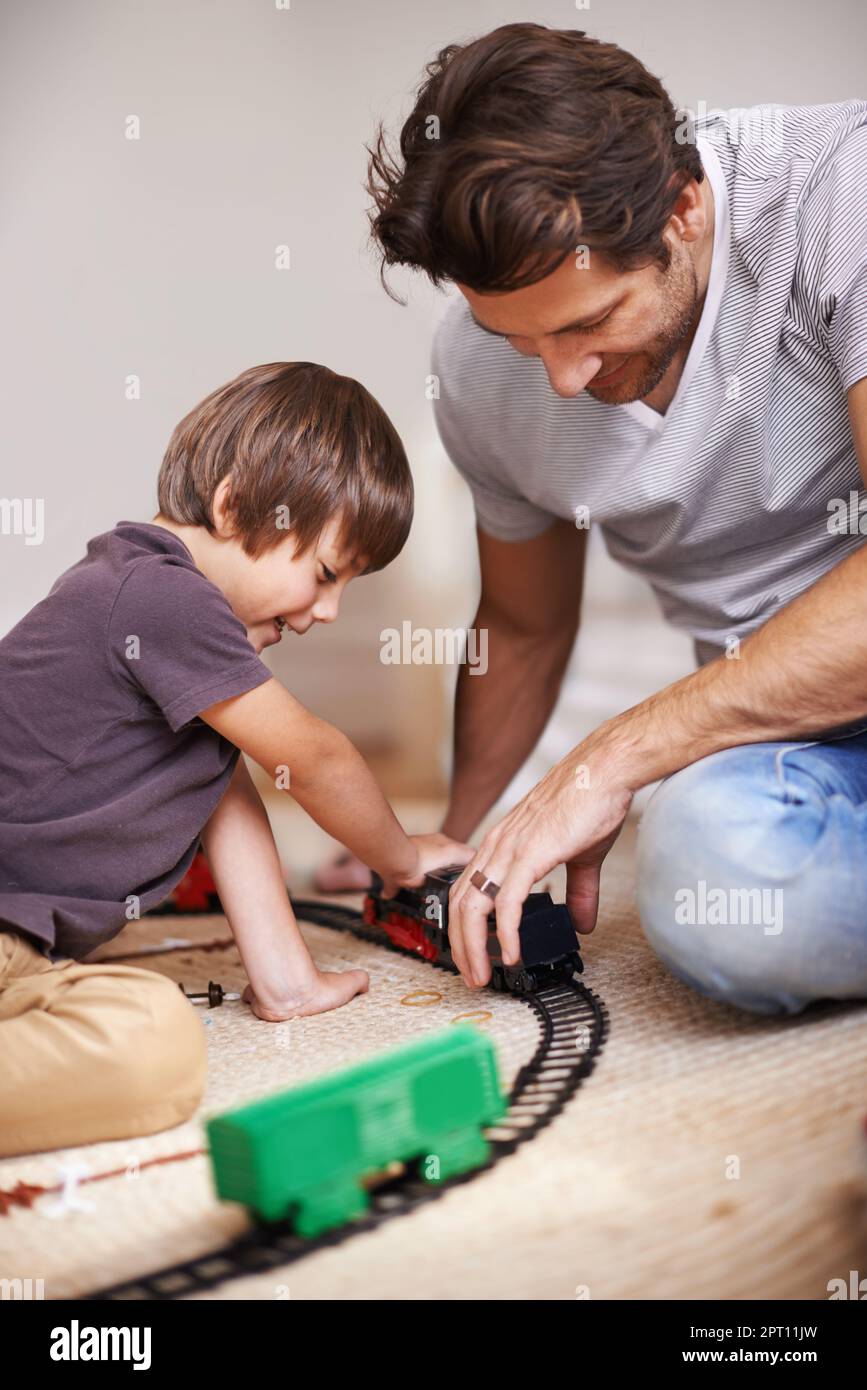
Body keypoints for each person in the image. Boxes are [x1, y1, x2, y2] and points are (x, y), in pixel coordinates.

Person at [320, 22, 867, 1016]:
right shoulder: (479, 366)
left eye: (589, 323)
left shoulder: (842, 193)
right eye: (520, 340)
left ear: (684, 208)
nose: (563, 381)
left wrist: (609, 760)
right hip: (800, 744)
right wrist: (449, 851)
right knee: (716, 881)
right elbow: (523, 625)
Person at [0, 361, 472, 1155]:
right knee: (151, 1043)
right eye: (325, 573)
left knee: (135, 1021)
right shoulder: (160, 598)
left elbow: (229, 795)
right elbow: (317, 759)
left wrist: (288, 982)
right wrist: (400, 857)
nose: (329, 611)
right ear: (232, 506)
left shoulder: (164, 629)